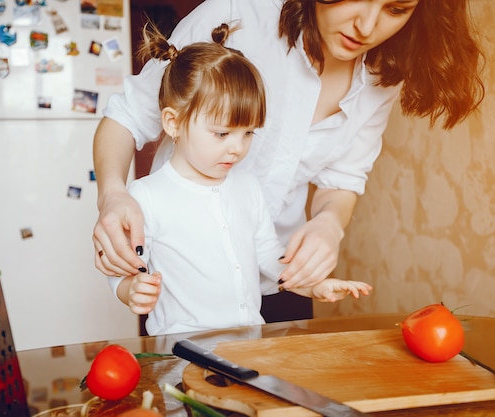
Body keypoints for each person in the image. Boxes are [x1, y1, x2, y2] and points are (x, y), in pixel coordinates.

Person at [93, 0, 484, 292]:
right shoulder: (238, 13)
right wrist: (112, 194)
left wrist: (329, 224)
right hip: (180, 278)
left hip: (279, 278)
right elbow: (128, 116)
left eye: (396, 9)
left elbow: (343, 178)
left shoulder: (383, 76)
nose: (366, 26)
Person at [107, 22, 372, 335]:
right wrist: (128, 289)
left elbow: (270, 258)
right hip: (180, 351)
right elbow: (121, 267)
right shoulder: (146, 196)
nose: (237, 148)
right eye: (221, 133)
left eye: (248, 133)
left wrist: (314, 285)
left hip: (249, 344)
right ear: (173, 123)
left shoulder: (247, 186)